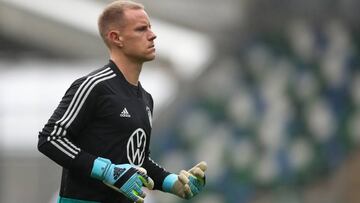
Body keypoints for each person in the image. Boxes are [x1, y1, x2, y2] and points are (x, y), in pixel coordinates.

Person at [37, 1, 207, 203]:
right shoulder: (94, 86)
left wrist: (173, 183)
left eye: (150, 28)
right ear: (116, 38)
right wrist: (106, 170)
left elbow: (137, 161)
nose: (152, 35)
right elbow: (50, 138)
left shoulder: (145, 99)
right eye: (141, 29)